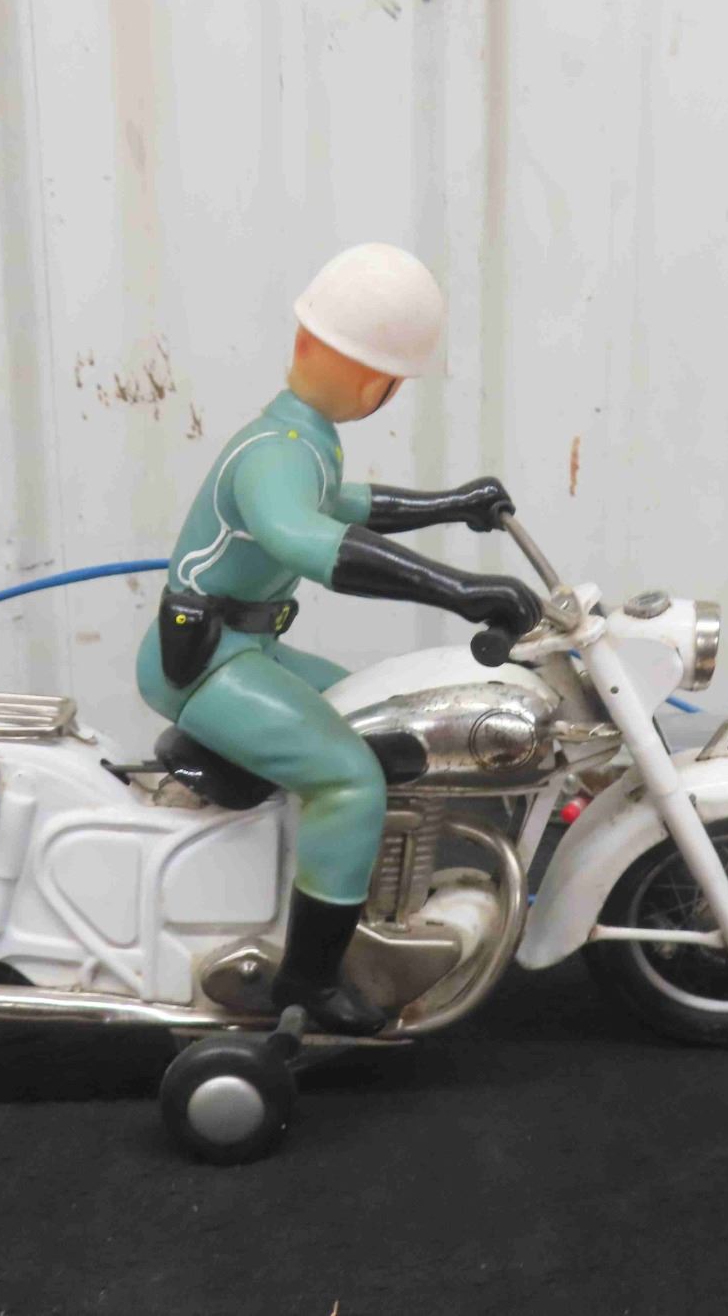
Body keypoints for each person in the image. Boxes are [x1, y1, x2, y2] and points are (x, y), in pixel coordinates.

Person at [135, 243, 541, 1034]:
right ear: (374, 383)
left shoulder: (300, 441)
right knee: (350, 777)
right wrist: (460, 591)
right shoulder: (276, 455)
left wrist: (452, 504)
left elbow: (347, 503)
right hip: (205, 665)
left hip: (243, 649)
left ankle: (348, 894)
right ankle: (308, 981)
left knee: (374, 707)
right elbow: (306, 538)